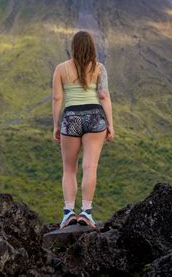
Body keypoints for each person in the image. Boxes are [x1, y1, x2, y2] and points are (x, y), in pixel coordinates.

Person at [51, 30, 114, 230]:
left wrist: (56, 125)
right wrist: (110, 124)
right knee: (90, 167)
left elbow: (57, 99)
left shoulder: (61, 69)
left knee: (69, 169)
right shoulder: (99, 68)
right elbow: (103, 96)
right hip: (95, 118)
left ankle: (69, 212)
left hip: (71, 118)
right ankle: (86, 212)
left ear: (73, 47)